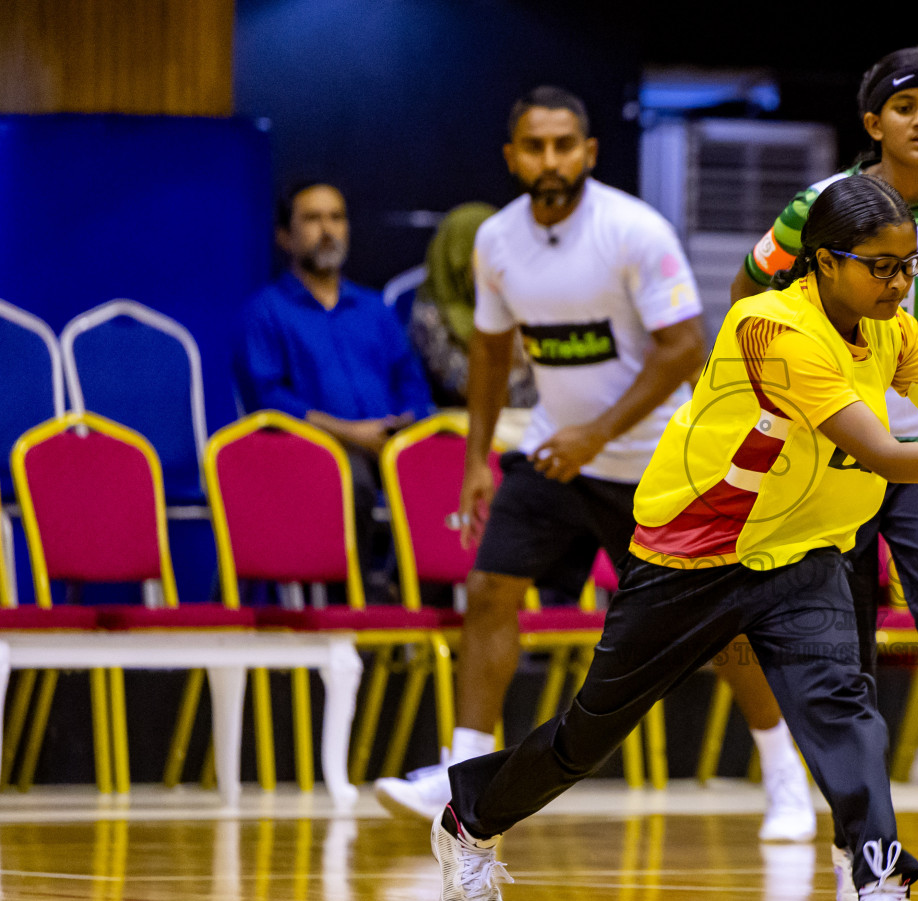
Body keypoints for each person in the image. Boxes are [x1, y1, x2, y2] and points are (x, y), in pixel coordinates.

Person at [429, 173, 918, 901]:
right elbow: (885, 453)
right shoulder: (770, 326)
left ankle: (882, 886)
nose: (898, 283)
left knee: (845, 711)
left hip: (804, 552)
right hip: (693, 555)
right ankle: (469, 820)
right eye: (882, 267)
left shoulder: (893, 327)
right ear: (823, 262)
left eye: (908, 265)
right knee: (588, 736)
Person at [726, 46, 918, 901]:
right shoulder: (814, 210)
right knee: (844, 649)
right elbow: (749, 295)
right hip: (834, 451)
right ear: (873, 124)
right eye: (907, 107)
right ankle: (856, 844)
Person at [374, 86, 714, 818]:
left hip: (655, 460)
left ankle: (783, 776)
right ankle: (461, 769)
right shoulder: (497, 240)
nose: (551, 159)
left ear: (589, 153)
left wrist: (600, 432)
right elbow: (492, 359)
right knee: (491, 587)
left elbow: (686, 349)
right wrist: (474, 464)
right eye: (536, 146)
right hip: (553, 454)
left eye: (565, 145)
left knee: (711, 621)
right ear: (513, 157)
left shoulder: (635, 230)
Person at [238, 182, 435, 599]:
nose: (327, 229)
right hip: (309, 450)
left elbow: (410, 381)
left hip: (387, 444)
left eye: (336, 217)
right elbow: (268, 398)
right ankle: (353, 615)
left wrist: (407, 421)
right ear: (284, 237)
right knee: (354, 477)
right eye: (312, 219)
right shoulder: (266, 310)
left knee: (442, 470)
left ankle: (420, 605)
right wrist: (349, 432)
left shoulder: (373, 310)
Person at [409, 201, 537, 411]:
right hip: (463, 429)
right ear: (457, 254)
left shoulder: (520, 303)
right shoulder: (429, 316)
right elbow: (466, 388)